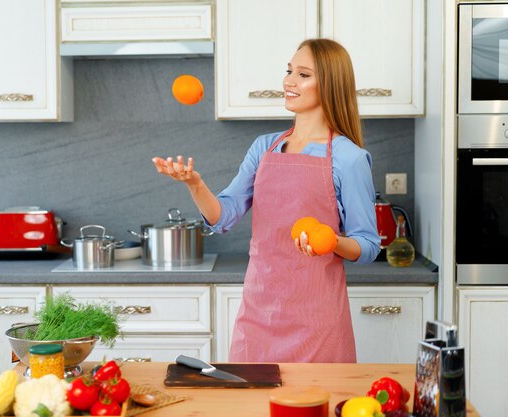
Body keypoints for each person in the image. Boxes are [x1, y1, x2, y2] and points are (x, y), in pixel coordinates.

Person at [151, 38, 380, 363]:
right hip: (258, 313)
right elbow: (224, 216)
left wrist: (331, 242)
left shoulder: (348, 157)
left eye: (303, 74)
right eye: (289, 71)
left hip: (317, 320)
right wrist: (195, 184)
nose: (289, 81)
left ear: (329, 84)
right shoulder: (265, 147)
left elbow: (368, 245)